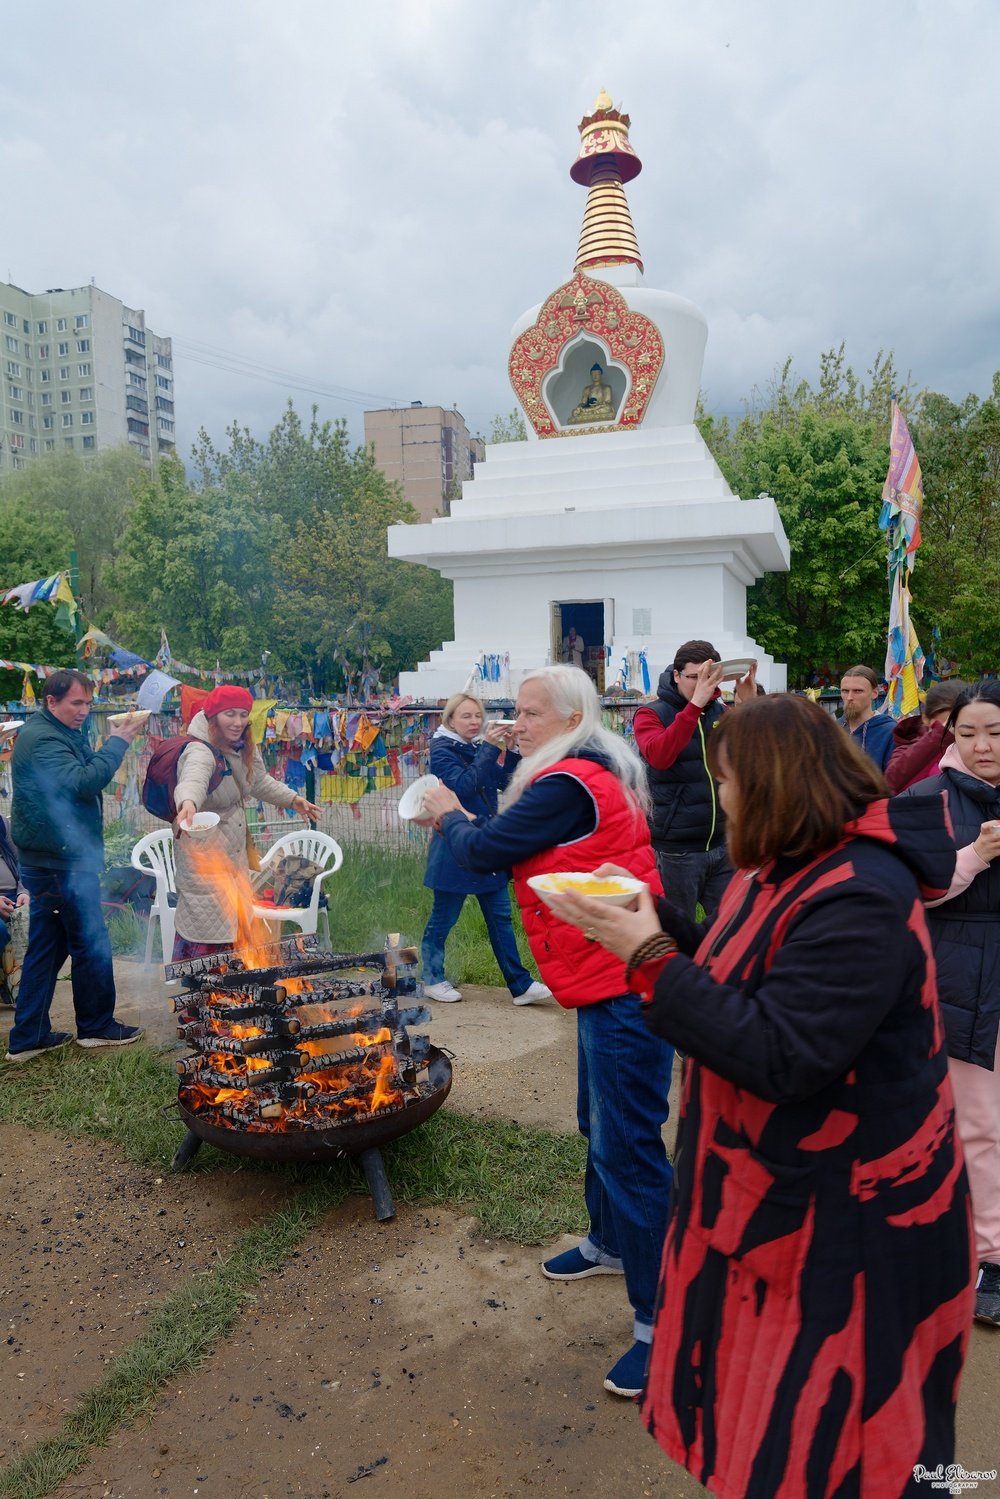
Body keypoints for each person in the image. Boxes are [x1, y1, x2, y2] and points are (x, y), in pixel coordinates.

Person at [550, 694, 973, 1496]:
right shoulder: (783, 865)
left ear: (776, 782)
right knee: (775, 1436)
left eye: (729, 780)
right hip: (781, 1202)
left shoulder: (861, 890)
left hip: (852, 1230)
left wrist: (647, 955)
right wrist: (649, 912)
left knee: (847, 1451)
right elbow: (734, 962)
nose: (724, 797)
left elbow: (784, 1053)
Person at [421, 665, 673, 1399]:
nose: (516, 722)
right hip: (606, 975)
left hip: (623, 982)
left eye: (530, 713)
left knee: (629, 1147)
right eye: (515, 710)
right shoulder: (582, 767)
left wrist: (447, 810)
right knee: (600, 1123)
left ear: (568, 720)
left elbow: (484, 850)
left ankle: (664, 1322)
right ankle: (610, 1242)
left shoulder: (568, 782)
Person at [903, 680, 1000, 1326]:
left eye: (994, 732)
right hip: (961, 975)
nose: (982, 745)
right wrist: (975, 856)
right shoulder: (925, 798)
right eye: (968, 733)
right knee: (978, 1121)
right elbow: (911, 890)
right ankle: (989, 1254)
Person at [5, 669, 146, 1061]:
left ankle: (28, 1036)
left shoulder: (58, 731)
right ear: (51, 701)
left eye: (88, 702)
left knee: (47, 948)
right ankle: (97, 1026)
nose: (84, 710)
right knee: (89, 941)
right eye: (76, 703)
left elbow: (82, 772)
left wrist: (109, 743)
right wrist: (118, 742)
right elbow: (84, 781)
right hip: (60, 862)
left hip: (54, 857)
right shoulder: (43, 738)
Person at [172, 686, 322, 960]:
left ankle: (231, 984)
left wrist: (293, 799)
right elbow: (193, 778)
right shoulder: (200, 749)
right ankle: (197, 985)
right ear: (213, 716)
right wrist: (188, 803)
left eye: (243, 714)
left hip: (234, 853)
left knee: (234, 927)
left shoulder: (241, 745)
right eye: (229, 714)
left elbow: (258, 781)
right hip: (204, 854)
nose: (238, 722)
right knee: (207, 931)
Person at [420, 693, 550, 1006]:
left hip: (484, 843)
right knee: (443, 918)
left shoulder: (477, 747)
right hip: (453, 846)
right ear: (451, 720)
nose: (474, 722)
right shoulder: (441, 750)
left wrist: (511, 750)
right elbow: (464, 786)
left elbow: (505, 782)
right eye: (466, 716)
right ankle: (432, 979)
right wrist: (490, 748)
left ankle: (520, 985)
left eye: (478, 716)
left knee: (500, 916)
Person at [632, 639, 756, 920]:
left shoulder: (721, 713)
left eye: (709, 677)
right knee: (678, 930)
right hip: (677, 849)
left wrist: (750, 705)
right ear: (676, 675)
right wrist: (694, 707)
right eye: (694, 677)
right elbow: (659, 757)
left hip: (723, 844)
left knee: (731, 926)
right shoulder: (650, 714)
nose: (702, 685)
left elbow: (752, 756)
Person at [884, 678, 967, 793]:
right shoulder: (909, 742)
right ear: (926, 718)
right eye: (949, 722)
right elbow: (892, 780)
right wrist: (940, 735)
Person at [838, 664, 895, 770]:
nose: (849, 697)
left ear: (874, 693)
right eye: (845, 691)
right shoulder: (834, 728)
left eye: (857, 691)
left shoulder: (889, 732)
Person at [0, 809, 28, 1008]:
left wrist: (24, 891)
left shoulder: (2, 823)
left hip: (14, 896)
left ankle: (25, 988)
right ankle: (9, 987)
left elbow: (22, 861)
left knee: (39, 922)